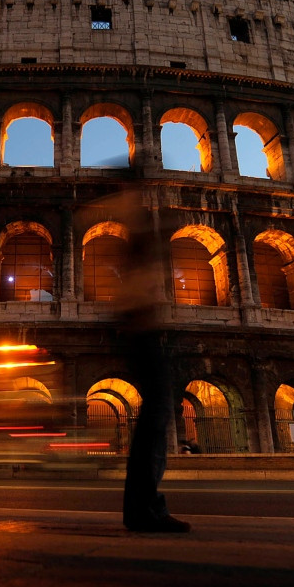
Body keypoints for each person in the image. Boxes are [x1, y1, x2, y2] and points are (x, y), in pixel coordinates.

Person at [112, 191, 190, 533]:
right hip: (141, 328)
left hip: (143, 327)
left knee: (155, 416)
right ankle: (145, 509)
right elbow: (134, 287)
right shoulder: (135, 236)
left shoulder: (136, 235)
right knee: (156, 414)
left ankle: (144, 508)